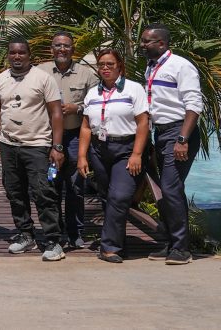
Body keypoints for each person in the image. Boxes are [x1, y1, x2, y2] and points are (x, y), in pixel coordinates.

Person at [0, 37, 66, 261]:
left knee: (43, 192)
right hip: (8, 145)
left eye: (21, 53)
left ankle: (53, 240)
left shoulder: (43, 78)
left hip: (38, 145)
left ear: (29, 55)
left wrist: (57, 146)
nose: (17, 57)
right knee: (15, 192)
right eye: (13, 53)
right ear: (8, 55)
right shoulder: (0, 80)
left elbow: (56, 113)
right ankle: (25, 234)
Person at [77, 48, 150, 263]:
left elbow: (143, 122)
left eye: (110, 64)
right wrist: (82, 156)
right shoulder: (93, 93)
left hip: (126, 149)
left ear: (120, 66)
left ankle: (108, 247)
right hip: (99, 150)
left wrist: (137, 154)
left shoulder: (133, 89)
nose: (105, 68)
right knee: (107, 198)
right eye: (101, 65)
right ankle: (119, 244)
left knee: (119, 196)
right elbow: (86, 127)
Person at [139, 22, 203, 264]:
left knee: (170, 188)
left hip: (179, 132)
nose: (142, 45)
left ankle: (181, 249)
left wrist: (182, 139)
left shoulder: (181, 66)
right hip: (162, 133)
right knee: (168, 190)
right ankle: (171, 243)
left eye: (147, 41)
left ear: (162, 43)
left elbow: (194, 105)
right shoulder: (151, 67)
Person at [38, 31, 98, 248]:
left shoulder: (86, 74)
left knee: (75, 186)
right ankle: (55, 230)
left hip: (74, 136)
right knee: (51, 184)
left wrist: (77, 107)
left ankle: (75, 233)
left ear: (73, 49)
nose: (62, 49)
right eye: (57, 46)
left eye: (66, 46)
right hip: (46, 137)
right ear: (51, 49)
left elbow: (96, 103)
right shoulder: (40, 71)